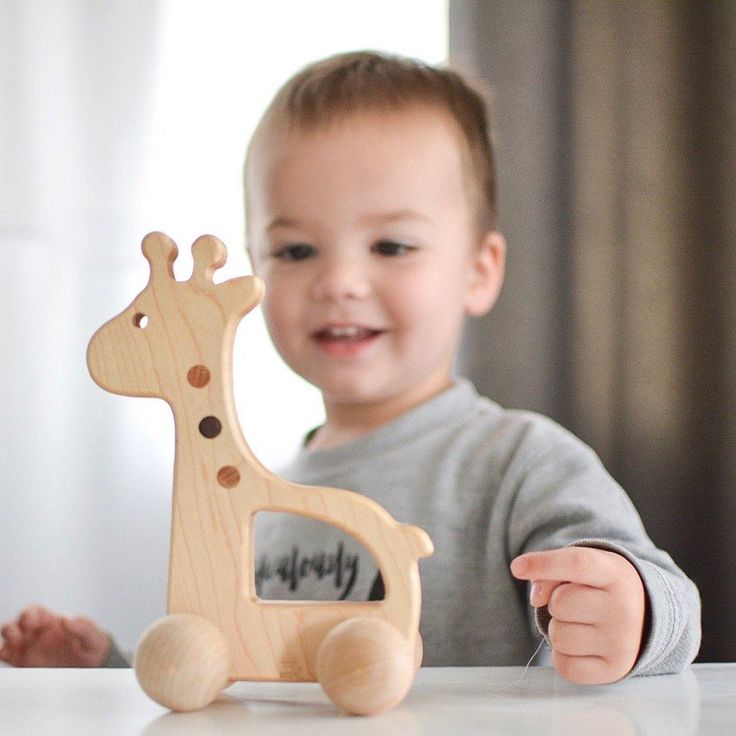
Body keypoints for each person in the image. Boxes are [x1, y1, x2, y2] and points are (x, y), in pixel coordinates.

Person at [0, 51, 700, 684]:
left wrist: (634, 611)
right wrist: (108, 669)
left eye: (391, 246)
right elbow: (249, 671)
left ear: (479, 271)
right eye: (297, 251)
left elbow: (673, 604)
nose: (338, 281)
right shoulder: (266, 491)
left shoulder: (519, 460)